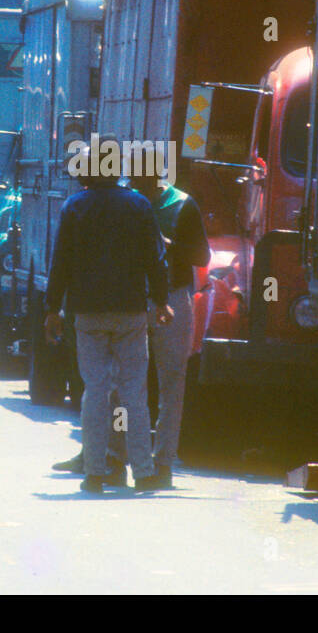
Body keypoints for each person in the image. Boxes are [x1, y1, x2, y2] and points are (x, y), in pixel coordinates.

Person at [44, 144, 172, 493]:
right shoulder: (139, 205)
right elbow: (155, 259)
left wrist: (52, 309)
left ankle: (95, 473)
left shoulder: (75, 207)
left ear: (87, 172)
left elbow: (61, 263)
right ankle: (143, 473)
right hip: (130, 312)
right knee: (134, 392)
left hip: (87, 313)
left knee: (95, 391)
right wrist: (161, 301)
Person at [110, 153, 210, 489]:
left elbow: (202, 256)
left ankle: (163, 462)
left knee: (171, 383)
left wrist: (170, 246)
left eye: (139, 181)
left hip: (173, 297)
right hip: (133, 299)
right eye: (131, 180)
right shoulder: (128, 202)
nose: (133, 186)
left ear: (155, 178)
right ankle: (116, 458)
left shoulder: (182, 206)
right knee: (123, 383)